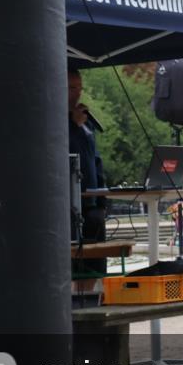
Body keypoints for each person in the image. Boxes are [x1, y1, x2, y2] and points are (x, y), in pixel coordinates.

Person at [68, 69, 107, 283]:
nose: (77, 94)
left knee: (96, 260)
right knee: (75, 263)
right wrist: (73, 125)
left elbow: (96, 160)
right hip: (70, 204)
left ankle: (99, 292)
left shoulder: (87, 123)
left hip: (92, 203)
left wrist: (103, 200)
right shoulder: (56, 121)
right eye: (71, 88)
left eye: (79, 88)